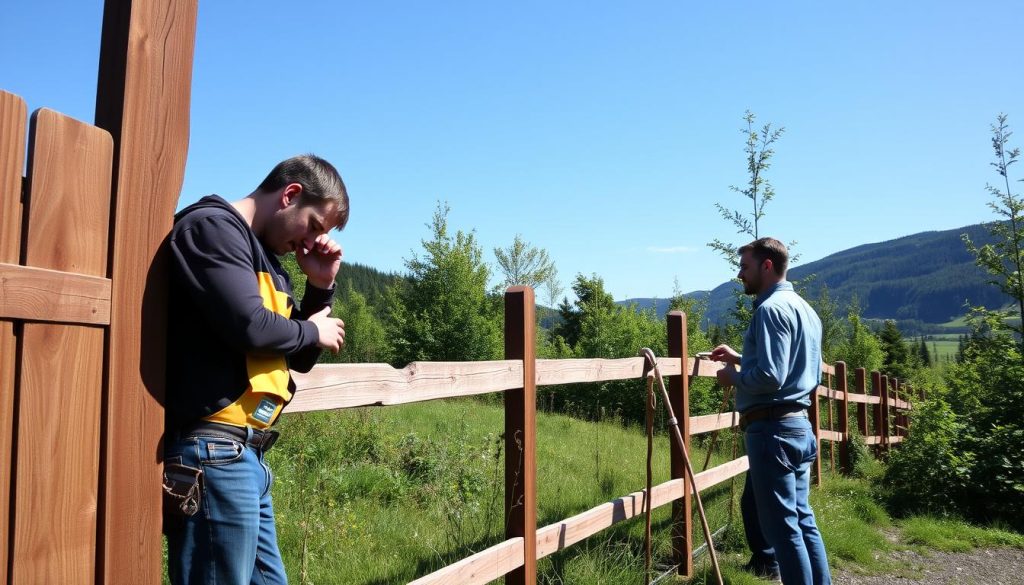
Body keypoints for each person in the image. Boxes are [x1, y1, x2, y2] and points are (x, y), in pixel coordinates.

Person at [162, 154, 349, 585]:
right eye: (315, 226)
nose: (311, 242)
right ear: (290, 194)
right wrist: (311, 330)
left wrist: (319, 287)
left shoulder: (264, 258)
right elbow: (251, 326)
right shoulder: (213, 229)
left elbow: (295, 354)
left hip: (246, 456)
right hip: (212, 452)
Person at [709, 237, 831, 585]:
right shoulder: (805, 310)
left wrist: (733, 376)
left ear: (766, 266)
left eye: (745, 267)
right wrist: (740, 357)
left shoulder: (769, 309)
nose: (739, 274)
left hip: (772, 431)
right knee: (802, 520)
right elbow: (794, 368)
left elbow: (771, 376)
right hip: (798, 426)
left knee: (783, 530)